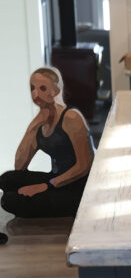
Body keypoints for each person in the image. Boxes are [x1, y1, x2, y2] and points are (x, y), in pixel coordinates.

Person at [0, 67, 94, 234]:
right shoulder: (40, 123)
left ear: (55, 91)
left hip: (79, 188)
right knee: (6, 179)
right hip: (56, 180)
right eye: (32, 88)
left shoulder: (71, 118)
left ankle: (62, 206)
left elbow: (85, 165)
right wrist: (33, 125)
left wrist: (45, 186)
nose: (36, 94)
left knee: (9, 201)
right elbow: (19, 166)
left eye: (42, 88)